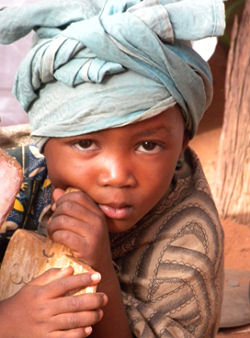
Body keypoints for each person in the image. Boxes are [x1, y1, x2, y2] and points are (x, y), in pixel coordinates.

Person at [0, 0, 226, 337]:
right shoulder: (14, 174)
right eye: (86, 143)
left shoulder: (187, 241)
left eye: (148, 145)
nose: (117, 175)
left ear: (183, 142)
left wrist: (99, 268)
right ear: (46, 139)